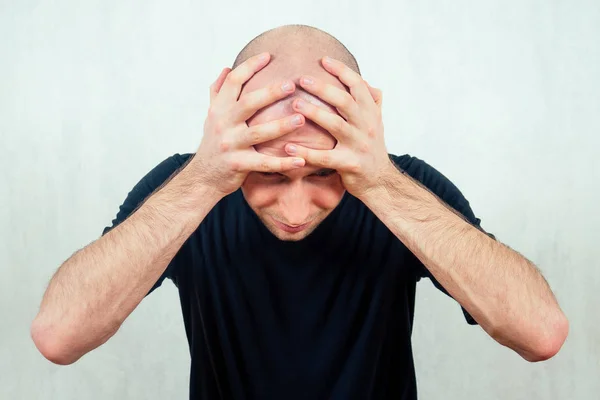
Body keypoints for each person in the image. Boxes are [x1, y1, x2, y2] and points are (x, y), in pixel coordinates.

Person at [31, 24, 569, 400]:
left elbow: (541, 334)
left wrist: (380, 181)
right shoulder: (188, 188)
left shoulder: (404, 188)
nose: (294, 210)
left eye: (322, 173)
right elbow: (58, 336)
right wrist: (201, 178)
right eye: (267, 174)